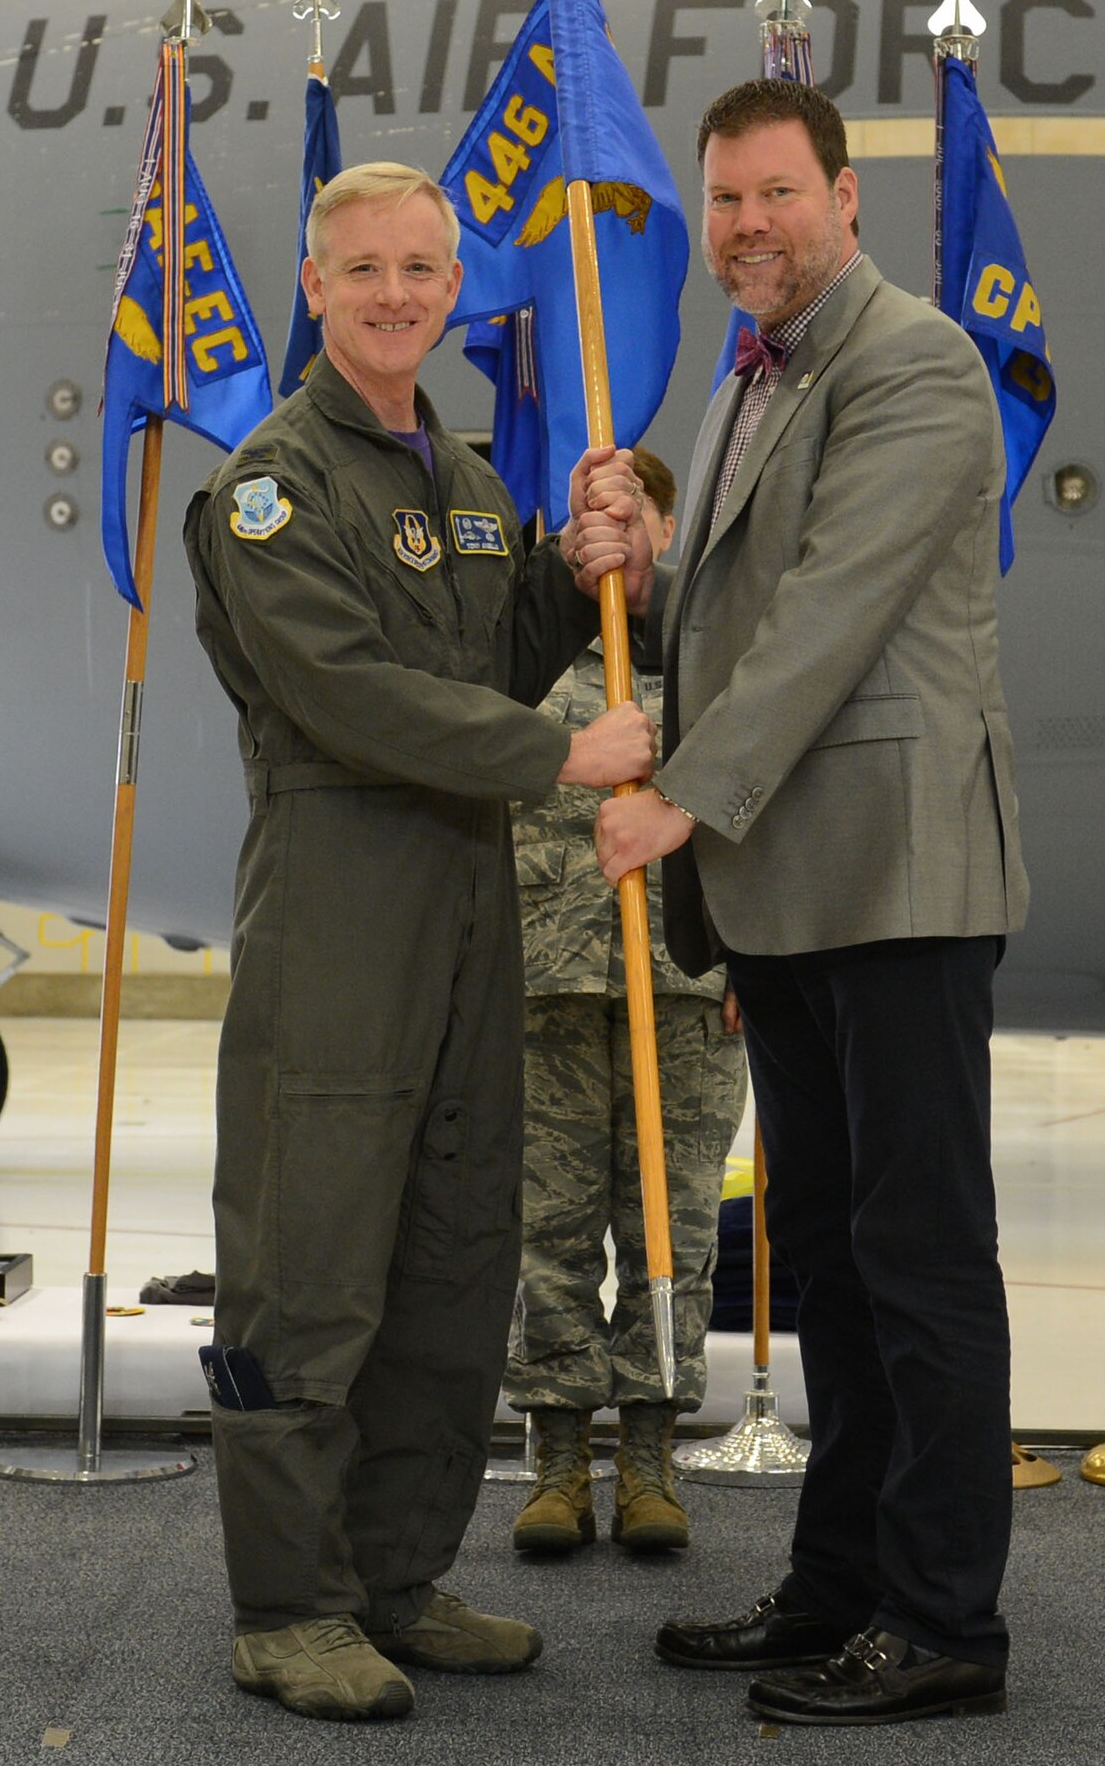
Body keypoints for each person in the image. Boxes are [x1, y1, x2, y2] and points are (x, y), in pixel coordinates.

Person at [183, 161, 655, 1725]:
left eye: (421, 269)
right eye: (363, 269)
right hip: (338, 919)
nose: (396, 293)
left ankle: (393, 1576)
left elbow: (506, 658)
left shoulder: (454, 476)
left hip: (467, 920)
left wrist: (579, 572)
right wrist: (560, 762)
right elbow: (346, 692)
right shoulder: (268, 485)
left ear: (453, 285)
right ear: (312, 287)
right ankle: (289, 1605)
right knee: (308, 1273)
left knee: (451, 1268)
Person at [594, 81, 1029, 1728]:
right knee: (831, 1265)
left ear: (846, 197)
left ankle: (942, 1624)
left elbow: (834, 616)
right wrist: (651, 535)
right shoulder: (745, 376)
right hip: (790, 889)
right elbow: (744, 597)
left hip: (899, 880)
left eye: (777, 195)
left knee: (920, 1265)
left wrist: (682, 800)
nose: (747, 227)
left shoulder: (912, 358)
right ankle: (840, 1588)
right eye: (724, 202)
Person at [505, 446, 747, 1557]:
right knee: (546, 1227)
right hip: (546, 978)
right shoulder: (533, 628)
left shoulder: (716, 639)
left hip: (687, 981)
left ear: (666, 518)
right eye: (591, 508)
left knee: (671, 1224)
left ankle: (647, 1451)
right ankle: (557, 1455)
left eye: (632, 504)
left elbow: (756, 791)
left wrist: (749, 954)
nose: (612, 524)